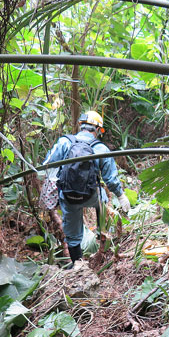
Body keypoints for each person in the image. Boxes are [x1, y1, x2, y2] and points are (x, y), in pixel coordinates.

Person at [42, 111, 131, 267]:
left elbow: (47, 166)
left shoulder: (64, 142)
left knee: (72, 233)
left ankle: (77, 264)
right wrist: (121, 196)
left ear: (81, 125)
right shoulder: (101, 148)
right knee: (102, 197)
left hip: (69, 196)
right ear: (97, 129)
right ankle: (102, 235)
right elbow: (111, 179)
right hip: (92, 195)